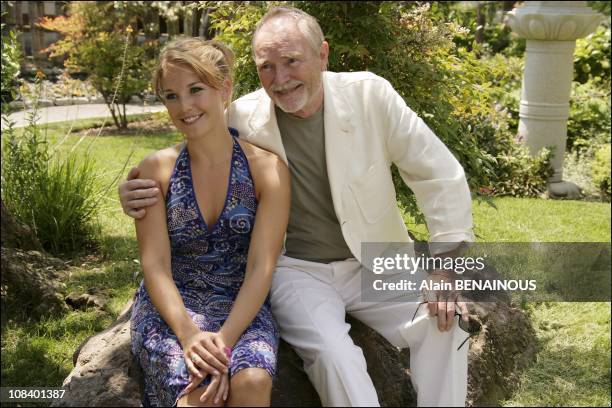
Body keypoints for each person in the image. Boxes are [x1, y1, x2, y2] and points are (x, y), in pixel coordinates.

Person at [121, 7, 474, 407]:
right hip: (299, 270)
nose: (280, 78)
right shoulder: (241, 114)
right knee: (331, 352)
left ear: (322, 54)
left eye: (291, 61)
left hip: (379, 259)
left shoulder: (370, 95)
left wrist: (445, 269)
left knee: (446, 322)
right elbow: (195, 146)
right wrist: (132, 191)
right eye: (266, 66)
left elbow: (439, 174)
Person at [129, 36, 290, 407]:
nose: (183, 106)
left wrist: (224, 341)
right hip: (173, 311)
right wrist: (189, 336)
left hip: (241, 306)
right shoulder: (157, 170)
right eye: (171, 96)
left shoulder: (267, 171)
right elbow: (155, 265)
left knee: (250, 381)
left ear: (225, 88)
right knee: (200, 395)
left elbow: (260, 266)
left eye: (195, 90)